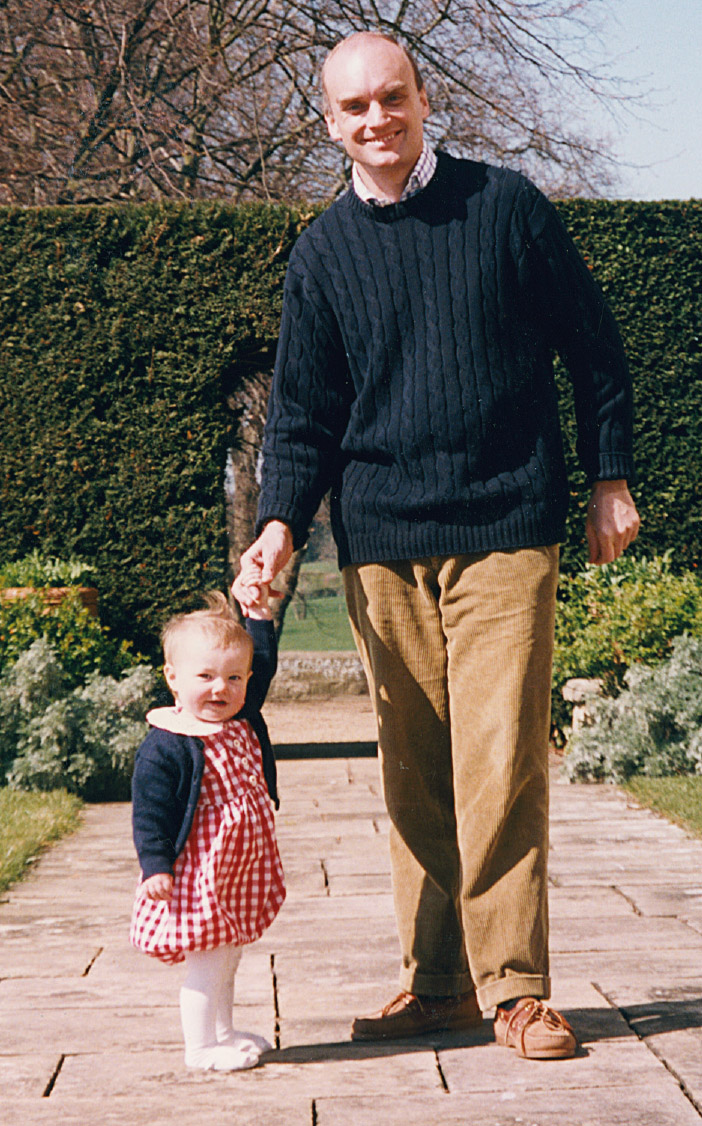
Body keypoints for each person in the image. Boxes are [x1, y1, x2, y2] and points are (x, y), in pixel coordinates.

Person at [233, 30, 640, 1060]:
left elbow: (595, 347)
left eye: (392, 98)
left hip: (504, 521)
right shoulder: (323, 251)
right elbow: (307, 413)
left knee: (498, 758)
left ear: (422, 98)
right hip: (379, 539)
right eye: (354, 108)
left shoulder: (503, 208)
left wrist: (610, 476)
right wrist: (279, 527)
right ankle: (439, 982)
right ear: (328, 123)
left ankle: (518, 988)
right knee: (413, 769)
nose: (377, 120)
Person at [130, 590, 285, 1072]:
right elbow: (149, 810)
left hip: (236, 871)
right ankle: (199, 1048)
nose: (221, 688)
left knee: (229, 956)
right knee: (207, 962)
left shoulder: (240, 719)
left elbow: (260, 664)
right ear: (172, 678)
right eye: (206, 677)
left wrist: (258, 617)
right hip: (199, 875)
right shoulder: (168, 743)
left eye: (234, 678)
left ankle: (222, 1033)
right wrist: (155, 865)